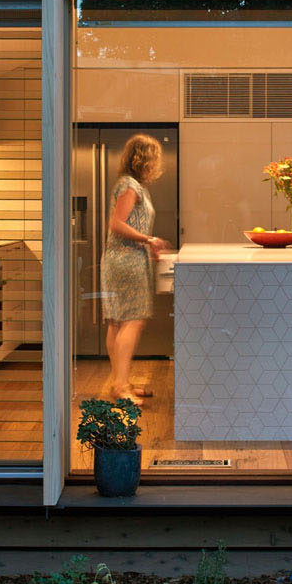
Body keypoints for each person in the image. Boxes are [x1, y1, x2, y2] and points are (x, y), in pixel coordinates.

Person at [101, 135, 171, 405]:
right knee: (133, 319)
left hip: (122, 259)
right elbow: (116, 224)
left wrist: (146, 244)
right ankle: (120, 387)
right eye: (154, 158)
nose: (156, 164)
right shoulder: (130, 186)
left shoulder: (128, 184)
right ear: (144, 159)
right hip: (126, 260)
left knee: (118, 322)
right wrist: (148, 239)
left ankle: (121, 382)